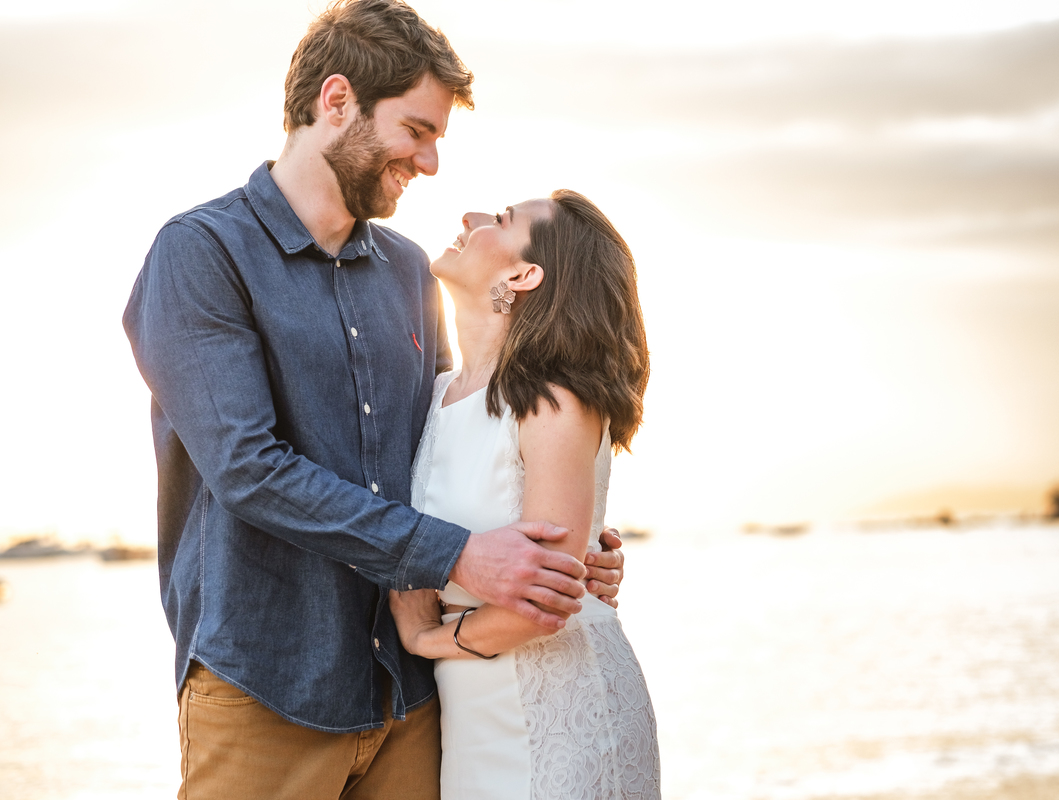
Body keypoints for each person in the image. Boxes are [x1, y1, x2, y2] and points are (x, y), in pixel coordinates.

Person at [121, 1, 624, 797]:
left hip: (413, 700)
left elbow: (449, 446)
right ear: (337, 101)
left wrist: (565, 543)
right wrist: (462, 555)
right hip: (267, 686)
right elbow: (248, 469)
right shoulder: (201, 253)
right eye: (416, 130)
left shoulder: (407, 270)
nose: (428, 164)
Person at [389, 192, 660, 799]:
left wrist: (430, 640)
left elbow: (550, 592)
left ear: (523, 274)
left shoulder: (555, 398)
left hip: (562, 704)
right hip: (472, 714)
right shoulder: (434, 395)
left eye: (503, 220)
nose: (470, 218)